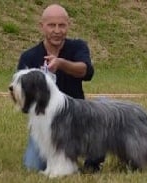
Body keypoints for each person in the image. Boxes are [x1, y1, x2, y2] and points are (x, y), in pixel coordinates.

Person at [17, 4, 104, 172]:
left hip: (78, 119)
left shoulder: (78, 47)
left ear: (68, 25)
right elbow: (23, 102)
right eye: (51, 25)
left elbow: (85, 71)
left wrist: (61, 64)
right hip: (46, 123)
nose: (57, 30)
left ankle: (92, 160)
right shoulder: (29, 57)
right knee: (33, 166)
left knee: (103, 110)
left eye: (61, 25)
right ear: (41, 26)